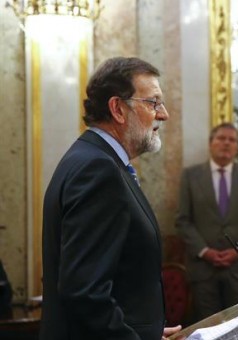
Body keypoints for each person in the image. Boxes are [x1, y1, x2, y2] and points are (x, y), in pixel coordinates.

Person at [40, 57, 180, 339]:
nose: (163, 114)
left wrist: (145, 332)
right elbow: (85, 293)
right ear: (118, 108)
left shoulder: (96, 160)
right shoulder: (98, 170)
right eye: (153, 103)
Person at [176, 123, 238, 321]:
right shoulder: (190, 176)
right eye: (221, 138)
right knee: (208, 328)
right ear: (210, 144)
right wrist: (205, 251)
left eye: (232, 140)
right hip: (203, 269)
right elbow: (183, 221)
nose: (226, 143)